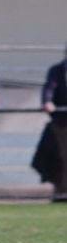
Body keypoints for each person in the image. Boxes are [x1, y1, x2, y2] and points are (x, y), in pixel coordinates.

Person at [42, 45, 67, 201]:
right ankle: (61, 191)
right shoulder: (56, 70)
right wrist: (47, 102)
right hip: (62, 121)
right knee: (63, 155)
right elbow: (49, 88)